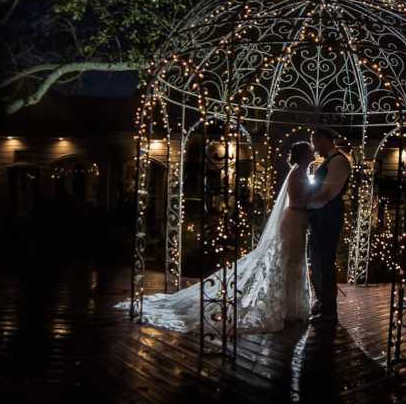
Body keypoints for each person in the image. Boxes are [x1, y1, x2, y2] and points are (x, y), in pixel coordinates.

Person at [115, 141, 316, 334]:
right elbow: (298, 199)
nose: (312, 153)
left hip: (298, 221)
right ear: (303, 155)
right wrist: (316, 197)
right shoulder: (297, 173)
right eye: (309, 151)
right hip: (294, 219)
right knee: (286, 260)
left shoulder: (302, 172)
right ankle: (285, 306)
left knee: (294, 261)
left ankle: (292, 307)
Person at [305, 127, 351, 324]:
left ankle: (329, 311)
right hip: (320, 215)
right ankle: (322, 304)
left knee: (324, 262)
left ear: (324, 140)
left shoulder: (339, 161)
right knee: (317, 261)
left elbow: (327, 193)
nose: (315, 148)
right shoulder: (328, 161)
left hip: (328, 215)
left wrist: (304, 202)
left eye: (316, 143)